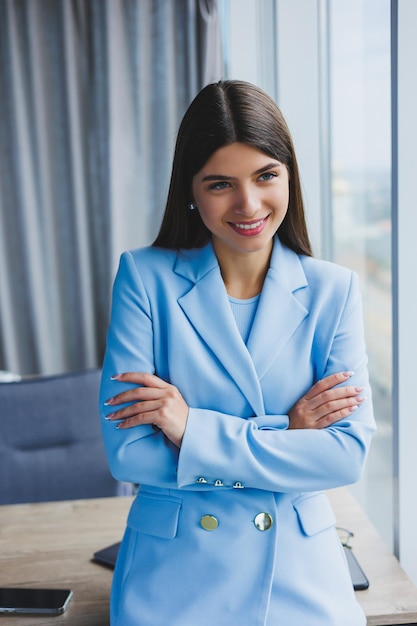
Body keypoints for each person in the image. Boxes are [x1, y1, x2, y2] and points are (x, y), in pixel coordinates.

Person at [99, 80, 376, 626]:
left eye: (266, 176)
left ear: (290, 176)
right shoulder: (144, 278)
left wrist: (192, 430)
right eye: (221, 183)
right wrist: (288, 434)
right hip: (172, 577)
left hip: (302, 575)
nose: (249, 204)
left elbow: (345, 456)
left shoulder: (333, 291)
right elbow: (127, 454)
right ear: (191, 190)